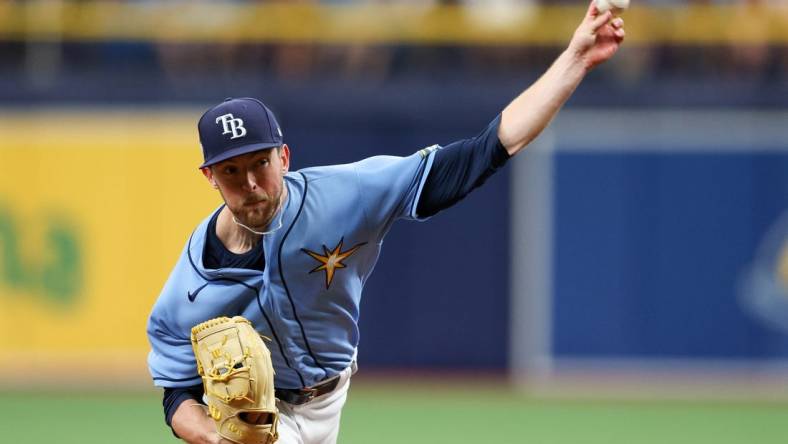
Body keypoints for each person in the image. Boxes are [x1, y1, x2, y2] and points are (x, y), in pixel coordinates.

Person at [147, 3, 625, 443]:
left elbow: (486, 151)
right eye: (231, 170)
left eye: (260, 163)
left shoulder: (346, 194)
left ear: (285, 157)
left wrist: (575, 60)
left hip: (332, 395)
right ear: (210, 176)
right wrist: (214, 436)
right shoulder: (190, 287)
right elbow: (175, 394)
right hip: (264, 418)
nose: (250, 182)